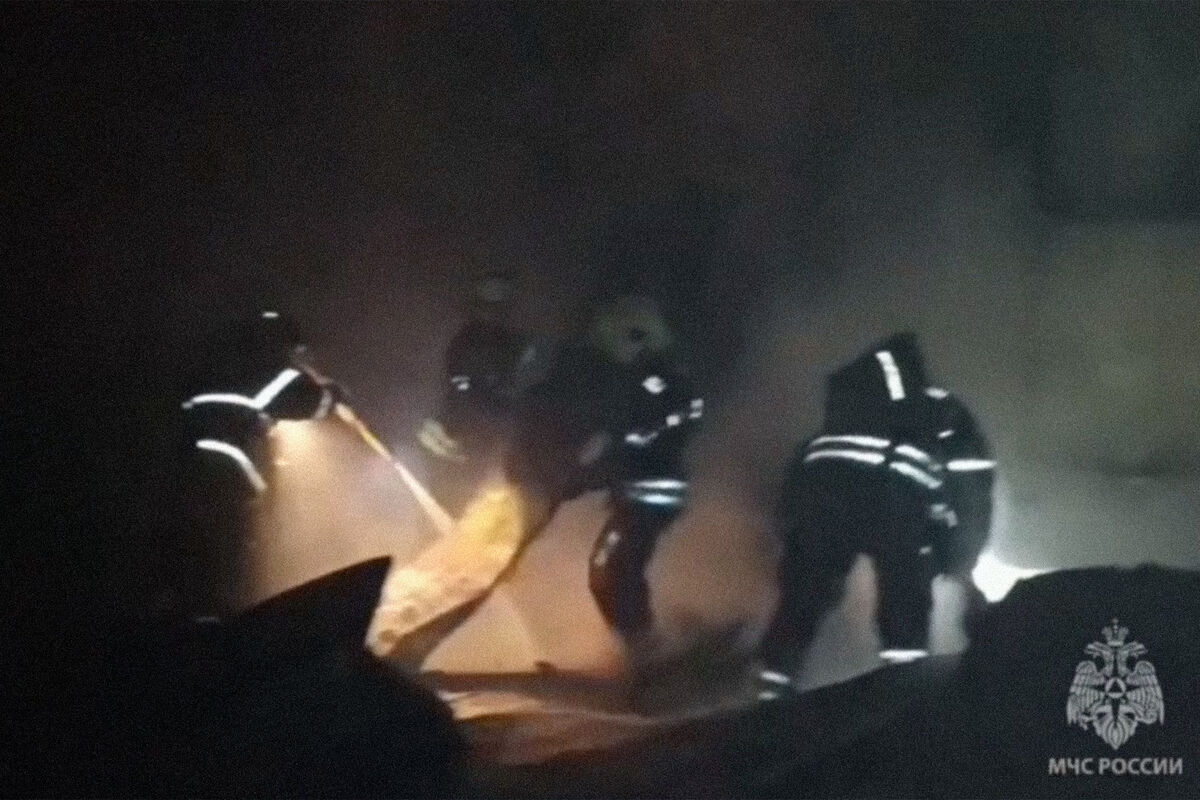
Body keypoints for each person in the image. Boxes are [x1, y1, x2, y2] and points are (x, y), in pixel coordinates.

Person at [757, 332, 995, 698]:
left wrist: (790, 519)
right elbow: (970, 485)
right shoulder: (942, 408)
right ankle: (904, 692)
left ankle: (770, 691)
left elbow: (802, 464)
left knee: (805, 594)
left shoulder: (855, 406)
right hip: (891, 497)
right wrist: (962, 560)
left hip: (822, 492)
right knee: (905, 594)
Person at [505, 295, 703, 676]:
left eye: (634, 338)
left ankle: (647, 655)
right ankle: (640, 652)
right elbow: (612, 450)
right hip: (636, 494)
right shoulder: (635, 383)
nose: (625, 347)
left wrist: (625, 438)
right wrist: (572, 480)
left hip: (655, 493)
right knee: (607, 571)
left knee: (614, 569)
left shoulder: (662, 381)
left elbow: (674, 418)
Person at [416, 273, 534, 516]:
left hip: (479, 439)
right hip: (454, 430)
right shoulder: (467, 339)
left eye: (496, 307)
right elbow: (456, 379)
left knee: (462, 499)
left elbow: (512, 389)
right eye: (486, 306)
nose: (491, 314)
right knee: (434, 499)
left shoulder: (510, 345)